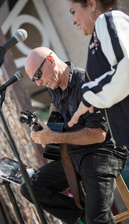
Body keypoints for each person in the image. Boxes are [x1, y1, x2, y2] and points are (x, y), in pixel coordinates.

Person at [20, 47, 127, 224]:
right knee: (30, 186)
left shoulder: (86, 80)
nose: (38, 82)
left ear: (52, 62)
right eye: (33, 79)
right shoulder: (54, 90)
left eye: (38, 74)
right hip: (75, 155)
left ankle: (93, 216)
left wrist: (53, 138)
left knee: (98, 222)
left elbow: (99, 135)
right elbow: (56, 134)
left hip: (102, 153)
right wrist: (43, 132)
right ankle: (84, 214)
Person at [67, 0, 129, 149]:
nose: (73, 21)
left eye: (73, 12)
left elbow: (127, 66)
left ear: (91, 4)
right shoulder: (100, 31)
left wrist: (89, 95)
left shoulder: (107, 19)